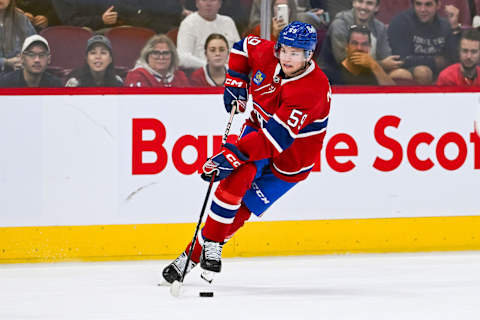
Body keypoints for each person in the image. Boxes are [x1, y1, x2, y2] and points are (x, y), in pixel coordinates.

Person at [162, 21, 331, 282]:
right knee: (236, 178)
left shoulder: (311, 89)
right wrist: (236, 82)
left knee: (242, 211)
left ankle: (191, 256)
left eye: (295, 53)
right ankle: (212, 246)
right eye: (284, 50)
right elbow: (242, 48)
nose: (287, 57)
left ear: (308, 55)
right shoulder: (267, 54)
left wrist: (232, 154)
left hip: (290, 162)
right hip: (258, 129)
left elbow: (275, 140)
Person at [318, 0, 402, 74]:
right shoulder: (340, 24)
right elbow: (344, 61)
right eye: (360, 1)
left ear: (376, 8)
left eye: (369, 3)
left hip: (368, 74)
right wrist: (379, 65)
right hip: (335, 75)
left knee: (400, 73)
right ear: (354, 3)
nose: (363, 7)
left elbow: (386, 58)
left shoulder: (380, 27)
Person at [387, 0, 457, 85]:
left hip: (437, 72)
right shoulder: (401, 22)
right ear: (413, 5)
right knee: (423, 72)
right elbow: (400, 59)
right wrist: (434, 61)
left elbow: (453, 59)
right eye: (418, 4)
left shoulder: (445, 25)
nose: (422, 9)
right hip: (409, 70)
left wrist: (454, 27)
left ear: (438, 5)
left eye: (428, 4)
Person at [176, 0, 240, 69]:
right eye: (204, 0)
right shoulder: (188, 24)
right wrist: (213, 67)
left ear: (220, 3)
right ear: (197, 3)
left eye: (212, 0)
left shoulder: (228, 22)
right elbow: (182, 57)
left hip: (231, 74)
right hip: (201, 74)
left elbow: (240, 53)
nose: (208, 4)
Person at [323, 24, 395, 85]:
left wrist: (375, 66)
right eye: (354, 43)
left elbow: (393, 95)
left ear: (369, 48)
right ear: (347, 47)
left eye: (364, 44)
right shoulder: (330, 74)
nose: (359, 48)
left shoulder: (376, 73)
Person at [124, 34, 190, 87]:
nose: (161, 57)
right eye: (156, 53)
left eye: (166, 53)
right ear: (147, 56)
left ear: (172, 56)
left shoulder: (180, 76)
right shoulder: (137, 76)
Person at [0, 0, 36, 74]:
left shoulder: (21, 19)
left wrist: (26, 57)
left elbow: (36, 47)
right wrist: (5, 62)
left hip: (20, 74)